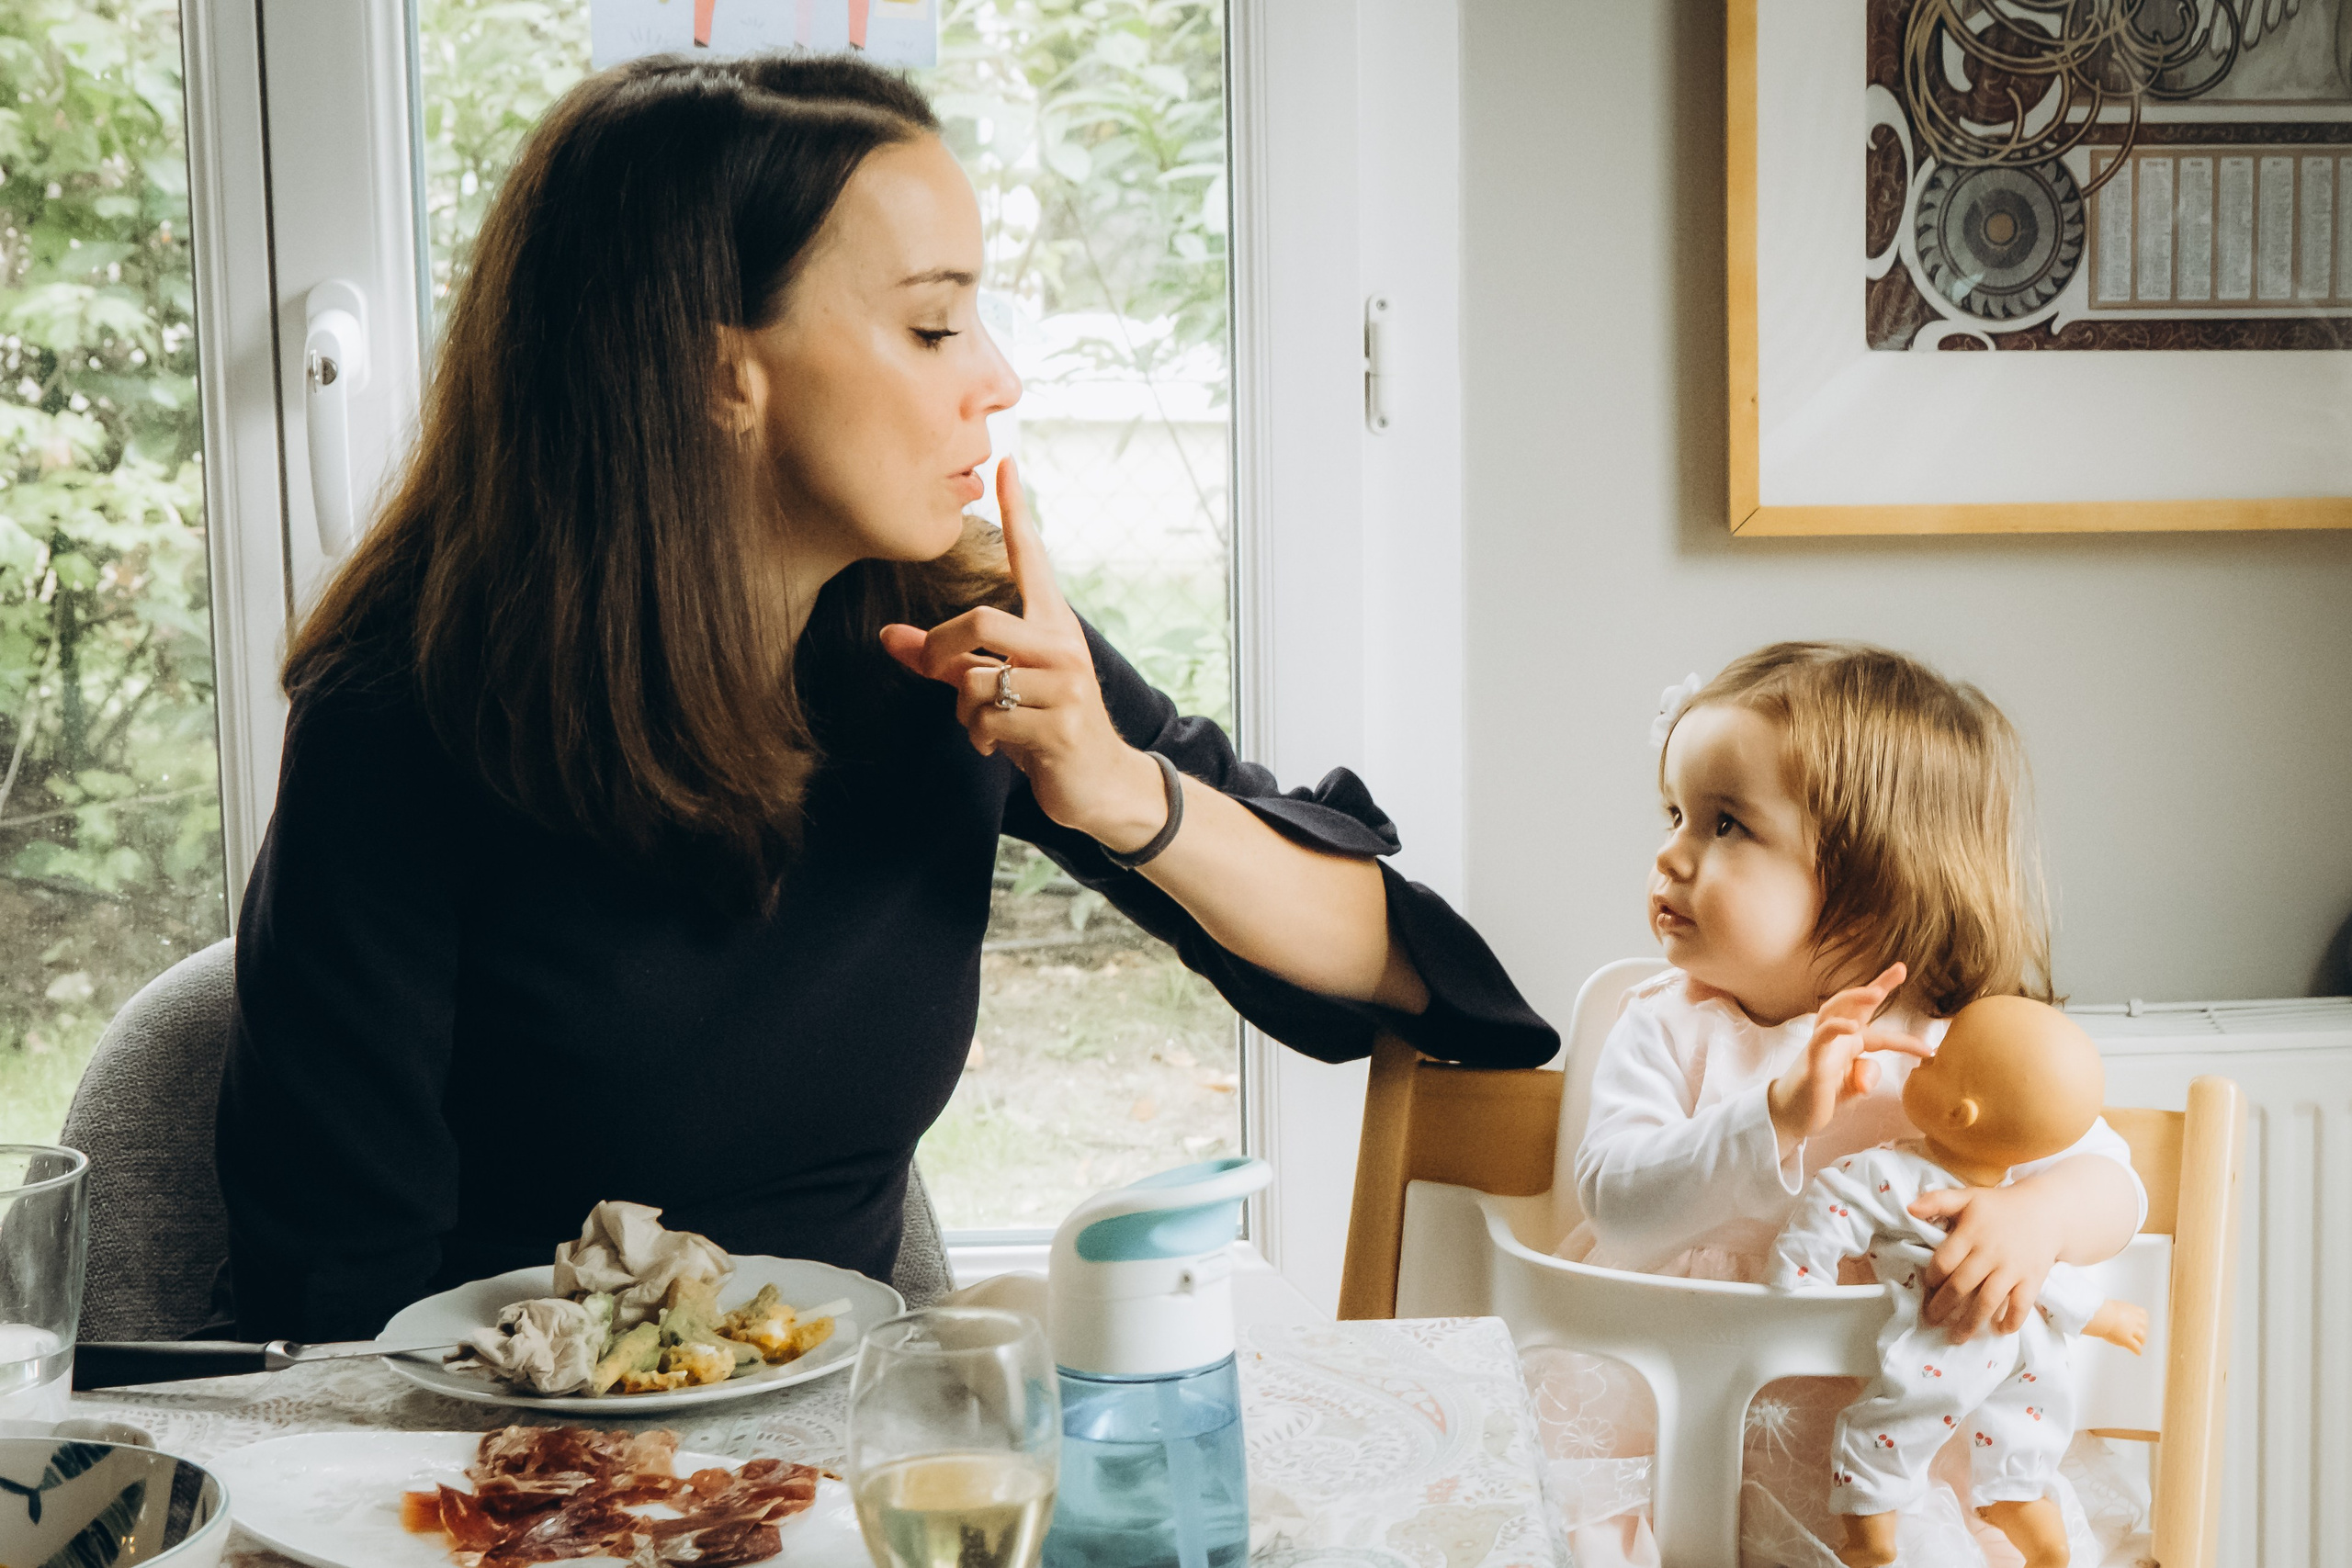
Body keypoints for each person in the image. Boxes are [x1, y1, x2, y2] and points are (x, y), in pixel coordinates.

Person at [216, 54, 1555, 1343]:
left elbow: (1410, 981)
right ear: (717, 370)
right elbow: (332, 1319)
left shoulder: (946, 637)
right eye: (933, 322)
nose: (1000, 378)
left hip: (848, 1466)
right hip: (506, 1483)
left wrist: (1122, 790)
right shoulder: (400, 726)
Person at [1528, 642, 2148, 1568]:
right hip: (1663, 1450)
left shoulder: (1949, 1053)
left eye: (1727, 825)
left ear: (1875, 885)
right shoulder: (1658, 1026)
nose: (1671, 851)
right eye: (1676, 814)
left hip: (1875, 1475)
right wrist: (1772, 1115)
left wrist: (2037, 1215)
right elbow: (1615, 1201)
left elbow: (2111, 1180)